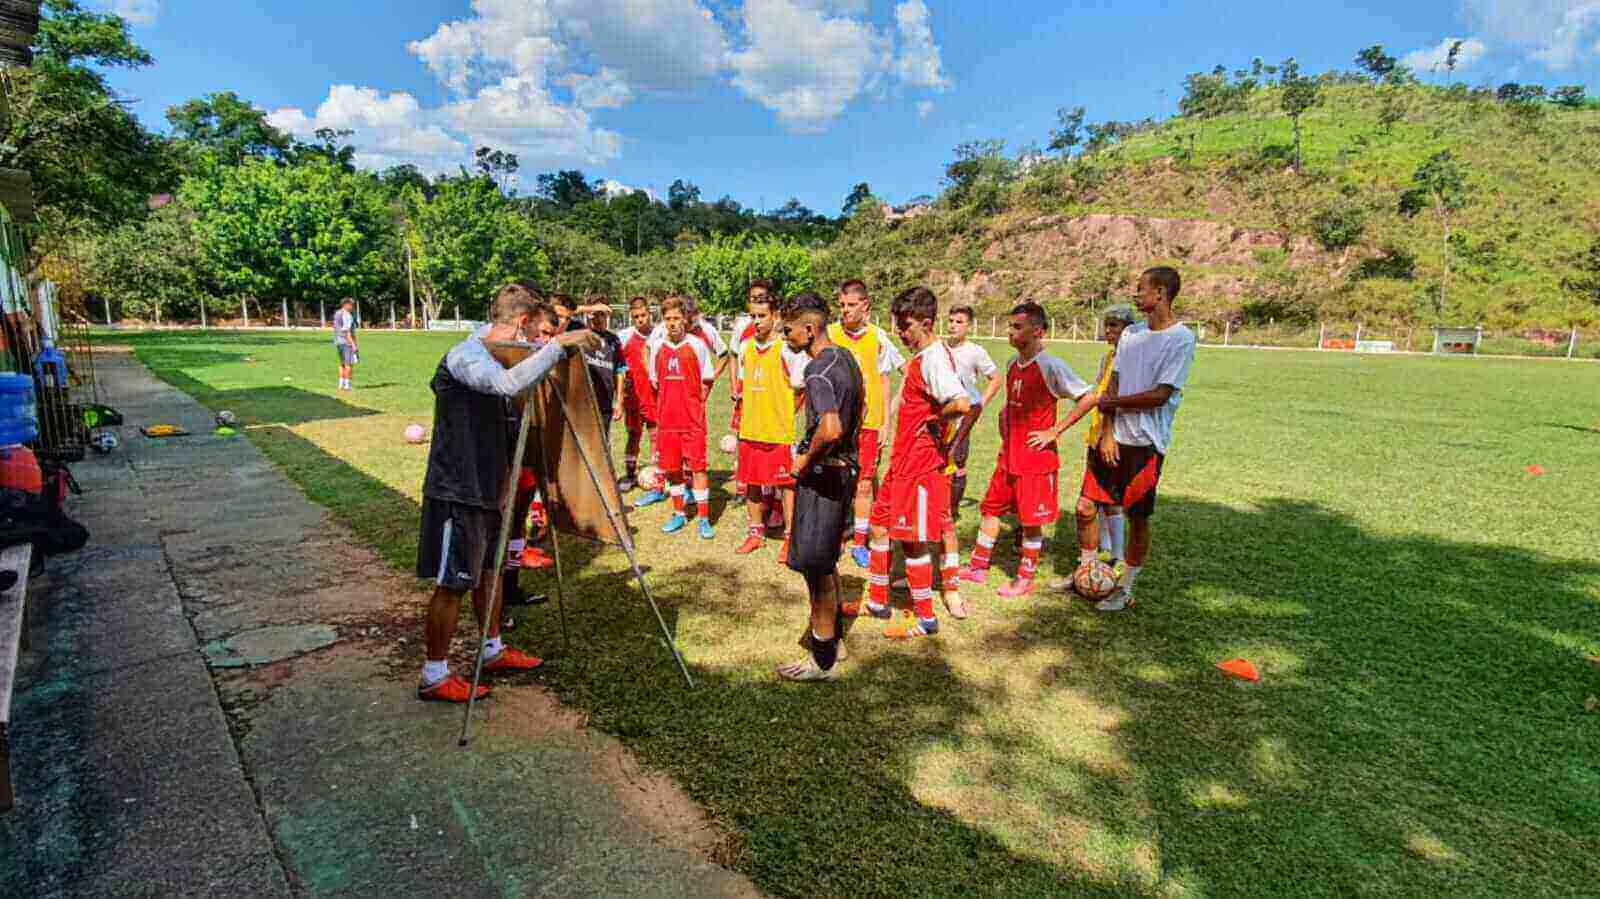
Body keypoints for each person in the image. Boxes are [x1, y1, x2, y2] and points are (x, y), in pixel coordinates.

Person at [414, 284, 599, 702]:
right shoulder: (467, 356)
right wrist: (557, 348)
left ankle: (492, 649)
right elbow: (503, 385)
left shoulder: (503, 351)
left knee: (490, 570)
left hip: (493, 487)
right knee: (453, 582)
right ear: (521, 322)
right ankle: (434, 674)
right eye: (536, 332)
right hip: (459, 489)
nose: (538, 341)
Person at [1081, 267, 1197, 612]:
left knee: (1137, 516)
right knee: (1086, 507)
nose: (1136, 295)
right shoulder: (1130, 334)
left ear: (1160, 293)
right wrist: (1107, 430)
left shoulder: (1181, 338)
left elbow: (1160, 395)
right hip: (1114, 438)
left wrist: (1109, 405)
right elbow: (1114, 382)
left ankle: (1125, 587)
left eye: (1141, 289)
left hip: (1146, 444)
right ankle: (1087, 573)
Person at [962, 303, 1095, 597]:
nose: (1010, 332)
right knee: (990, 509)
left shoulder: (1051, 365)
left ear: (1038, 331)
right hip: (1008, 455)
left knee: (1031, 522)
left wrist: (1055, 430)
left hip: (1036, 460)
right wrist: (1003, 418)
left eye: (1017, 327)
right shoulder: (1011, 364)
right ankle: (978, 567)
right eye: (1010, 326)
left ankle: (1025, 577)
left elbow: (1088, 397)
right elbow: (1012, 404)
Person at [863, 287, 970, 639]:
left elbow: (961, 402)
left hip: (921, 466)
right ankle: (878, 601)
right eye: (897, 325)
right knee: (879, 526)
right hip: (902, 462)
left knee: (913, 541)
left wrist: (935, 420)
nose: (901, 332)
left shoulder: (935, 358)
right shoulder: (922, 358)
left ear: (926, 323)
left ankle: (925, 618)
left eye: (906, 326)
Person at [777, 292, 865, 681]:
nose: (784, 337)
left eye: (789, 330)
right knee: (826, 561)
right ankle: (834, 639)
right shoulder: (846, 357)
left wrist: (803, 460)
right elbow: (859, 411)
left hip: (825, 476)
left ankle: (823, 657)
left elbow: (831, 428)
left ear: (809, 329)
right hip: (846, 471)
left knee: (814, 567)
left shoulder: (816, 371)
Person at [827, 280, 905, 569]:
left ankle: (860, 542)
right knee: (835, 481)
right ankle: (834, 537)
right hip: (837, 423)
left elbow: (893, 377)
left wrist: (886, 419)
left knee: (863, 484)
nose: (845, 310)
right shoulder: (831, 335)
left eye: (851, 305)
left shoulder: (878, 337)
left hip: (869, 425)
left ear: (865, 306)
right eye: (842, 305)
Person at [733, 291, 808, 557]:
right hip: (751, 429)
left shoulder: (788, 350)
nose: (756, 321)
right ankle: (756, 533)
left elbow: (801, 388)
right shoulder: (745, 348)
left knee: (786, 485)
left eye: (762, 315)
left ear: (775, 316)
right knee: (751, 483)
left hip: (779, 433)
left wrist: (786, 413)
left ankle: (789, 538)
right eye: (752, 315)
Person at [647, 295, 717, 538]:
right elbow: (655, 382)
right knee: (672, 469)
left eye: (677, 318)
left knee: (698, 468)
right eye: (668, 319)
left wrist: (696, 406)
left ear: (686, 320)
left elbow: (707, 380)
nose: (672, 323)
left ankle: (704, 518)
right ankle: (678, 514)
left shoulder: (697, 345)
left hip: (692, 420)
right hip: (667, 421)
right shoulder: (657, 347)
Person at [727, 279, 773, 497]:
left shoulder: (774, 324)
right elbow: (733, 356)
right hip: (746, 385)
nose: (756, 300)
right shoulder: (742, 326)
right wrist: (734, 384)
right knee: (741, 434)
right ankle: (741, 484)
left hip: (767, 388)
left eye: (760, 296)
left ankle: (768, 486)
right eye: (753, 297)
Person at [615, 297, 659, 494]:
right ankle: (631, 474)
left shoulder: (659, 334)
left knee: (655, 435)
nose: (640, 320)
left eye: (643, 315)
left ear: (650, 313)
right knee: (633, 434)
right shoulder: (624, 336)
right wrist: (621, 396)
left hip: (653, 395)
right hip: (633, 396)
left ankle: (658, 474)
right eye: (636, 317)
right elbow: (619, 367)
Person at [333, 298, 358, 390]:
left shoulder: (337, 313)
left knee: (342, 363)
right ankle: (347, 385)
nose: (352, 307)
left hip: (338, 341)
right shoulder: (347, 315)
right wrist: (353, 344)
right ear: (346, 305)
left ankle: (341, 384)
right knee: (349, 364)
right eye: (351, 305)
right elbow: (347, 331)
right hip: (346, 342)